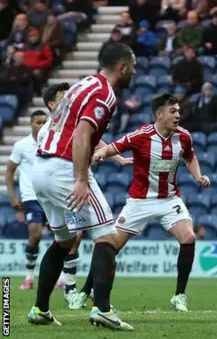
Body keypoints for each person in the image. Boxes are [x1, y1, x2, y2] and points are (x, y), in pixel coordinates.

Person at [26, 42, 136, 331]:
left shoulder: (82, 85)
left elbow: (64, 127)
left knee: (63, 242)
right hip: (64, 169)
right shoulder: (105, 93)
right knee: (108, 237)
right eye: (132, 67)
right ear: (122, 66)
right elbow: (81, 134)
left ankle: (40, 309)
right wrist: (80, 179)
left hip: (41, 168)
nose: (134, 73)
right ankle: (102, 309)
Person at [73, 93, 210, 313]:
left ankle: (179, 295)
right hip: (140, 201)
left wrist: (198, 176)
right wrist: (101, 154)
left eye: (178, 111)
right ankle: (86, 290)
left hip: (169, 199)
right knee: (109, 246)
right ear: (159, 114)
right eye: (172, 111)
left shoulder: (183, 137)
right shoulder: (142, 135)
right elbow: (114, 147)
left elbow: (190, 157)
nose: (177, 115)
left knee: (189, 237)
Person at [37, 83, 130, 302]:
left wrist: (116, 157)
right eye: (64, 97)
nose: (70, 100)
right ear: (52, 105)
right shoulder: (55, 126)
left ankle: (44, 305)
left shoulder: (59, 125)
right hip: (66, 179)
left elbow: (94, 140)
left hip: (46, 183)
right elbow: (84, 138)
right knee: (108, 236)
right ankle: (100, 305)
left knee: (66, 240)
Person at [5, 110, 48, 290]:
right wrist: (13, 196)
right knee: (35, 234)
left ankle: (61, 278)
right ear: (30, 124)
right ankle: (29, 277)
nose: (42, 125)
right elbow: (9, 171)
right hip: (31, 196)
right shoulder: (21, 145)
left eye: (45, 122)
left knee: (63, 238)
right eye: (38, 122)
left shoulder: (53, 143)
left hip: (52, 196)